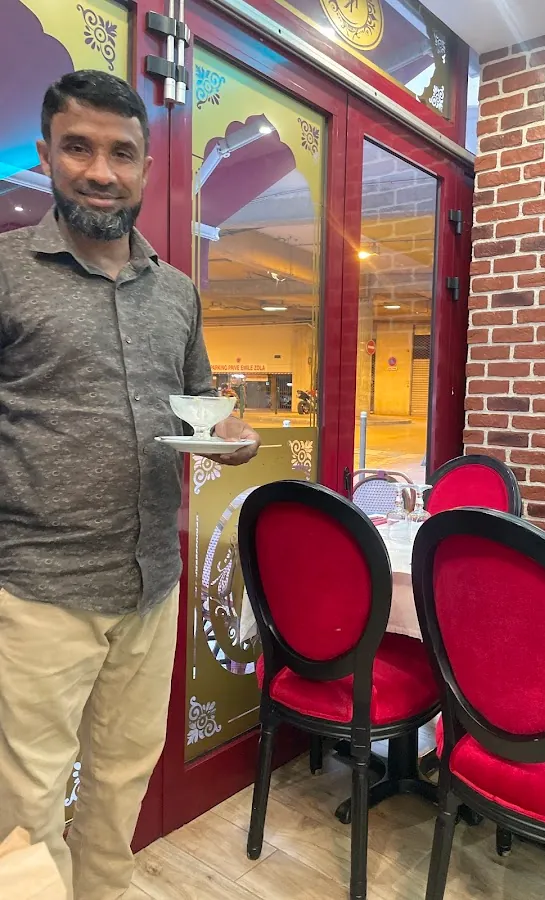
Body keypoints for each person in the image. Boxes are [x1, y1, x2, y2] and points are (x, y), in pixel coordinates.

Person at [0, 70, 260, 900]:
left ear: (147, 168)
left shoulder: (177, 291)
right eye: (78, 148)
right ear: (46, 155)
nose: (99, 172)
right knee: (24, 814)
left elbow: (203, 403)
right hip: (36, 590)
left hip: (152, 584)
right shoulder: (7, 270)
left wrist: (231, 439)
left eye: (120, 153)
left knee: (119, 787)